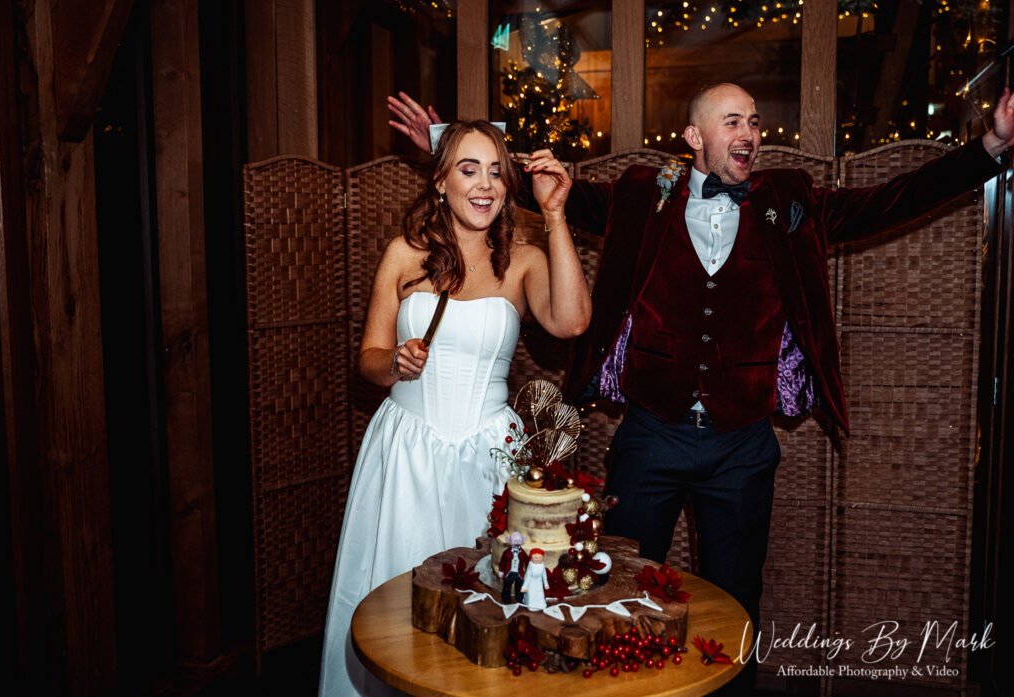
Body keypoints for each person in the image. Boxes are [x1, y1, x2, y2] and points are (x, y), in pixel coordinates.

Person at [388, 86, 1014, 632]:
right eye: (734, 121)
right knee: (613, 588)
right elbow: (534, 184)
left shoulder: (789, 199)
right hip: (650, 436)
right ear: (694, 136)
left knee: (737, 601)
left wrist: (989, 144)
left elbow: (892, 199)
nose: (750, 133)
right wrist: (444, 143)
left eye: (755, 123)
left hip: (742, 445)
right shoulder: (642, 194)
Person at [318, 120, 591, 697]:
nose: (485, 184)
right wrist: (393, 363)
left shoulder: (523, 260)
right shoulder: (403, 254)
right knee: (398, 608)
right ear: (440, 180)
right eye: (469, 169)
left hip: (491, 460)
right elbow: (366, 356)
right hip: (408, 453)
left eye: (496, 171)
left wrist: (557, 215)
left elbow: (571, 322)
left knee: (491, 613)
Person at [497, 531, 529, 604]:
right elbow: (503, 562)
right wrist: (501, 571)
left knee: (519, 586)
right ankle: (506, 598)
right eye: (515, 541)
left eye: (518, 541)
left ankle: (519, 598)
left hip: (519, 573)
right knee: (507, 586)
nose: (517, 543)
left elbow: (527, 561)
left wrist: (528, 571)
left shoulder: (522, 552)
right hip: (509, 573)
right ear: (510, 542)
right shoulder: (506, 552)